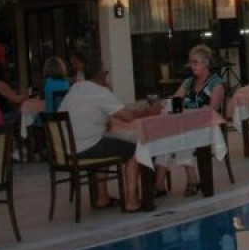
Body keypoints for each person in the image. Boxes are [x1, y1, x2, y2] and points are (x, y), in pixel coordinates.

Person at [59, 58, 161, 212]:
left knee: (106, 142)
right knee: (136, 148)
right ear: (101, 74)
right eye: (106, 72)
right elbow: (127, 116)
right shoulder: (100, 92)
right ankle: (131, 201)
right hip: (85, 146)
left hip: (66, 148)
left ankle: (102, 198)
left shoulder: (75, 89)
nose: (107, 75)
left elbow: (103, 120)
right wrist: (149, 111)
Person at [154, 44, 225, 197]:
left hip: (206, 126)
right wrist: (163, 104)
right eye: (191, 62)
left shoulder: (216, 83)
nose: (192, 66)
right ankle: (159, 183)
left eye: (195, 62)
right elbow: (175, 100)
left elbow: (212, 110)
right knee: (166, 136)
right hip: (186, 125)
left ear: (206, 62)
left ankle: (191, 179)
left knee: (181, 135)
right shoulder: (188, 82)